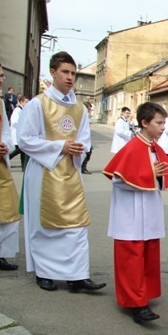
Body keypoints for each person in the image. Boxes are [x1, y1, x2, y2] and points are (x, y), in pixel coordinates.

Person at [18, 51, 106, 292]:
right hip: (43, 171)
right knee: (44, 224)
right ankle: (44, 272)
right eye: (65, 72)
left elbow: (84, 139)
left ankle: (77, 276)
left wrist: (79, 149)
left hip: (70, 172)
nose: (70, 77)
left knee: (76, 225)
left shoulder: (78, 108)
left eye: (73, 73)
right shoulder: (38, 104)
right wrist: (60, 146)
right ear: (53, 72)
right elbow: (25, 139)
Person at [103, 102, 168, 323]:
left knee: (148, 255)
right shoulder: (132, 147)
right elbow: (117, 179)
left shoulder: (156, 148)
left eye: (164, 123)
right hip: (130, 213)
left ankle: (145, 295)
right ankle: (136, 304)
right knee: (131, 257)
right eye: (159, 123)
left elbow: (162, 179)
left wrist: (157, 176)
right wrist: (149, 173)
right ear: (144, 123)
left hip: (149, 210)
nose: (163, 127)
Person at [0, 58, 21, 272]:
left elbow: (6, 131)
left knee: (6, 209)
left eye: (1, 75)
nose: (1, 79)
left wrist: (5, 146)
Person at [9, 95, 29, 171]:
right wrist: (22, 128)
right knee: (19, 149)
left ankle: (24, 167)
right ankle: (7, 158)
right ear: (21, 102)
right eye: (26, 102)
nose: (27, 103)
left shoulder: (23, 110)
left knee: (23, 150)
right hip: (17, 133)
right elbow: (14, 122)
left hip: (21, 134)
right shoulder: (17, 110)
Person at [81, 102, 94, 174]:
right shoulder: (83, 115)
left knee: (88, 153)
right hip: (83, 138)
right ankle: (83, 169)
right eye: (89, 109)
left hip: (86, 138)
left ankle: (83, 168)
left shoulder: (86, 116)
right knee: (86, 153)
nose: (90, 110)